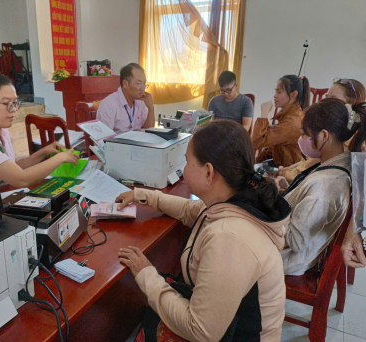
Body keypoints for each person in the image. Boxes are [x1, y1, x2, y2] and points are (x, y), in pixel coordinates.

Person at [116, 120, 291, 341]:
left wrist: (146, 274)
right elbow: (191, 210)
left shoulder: (229, 239)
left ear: (209, 172)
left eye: (187, 162)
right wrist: (144, 195)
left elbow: (200, 331)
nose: (183, 169)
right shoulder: (236, 199)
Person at [280, 98, 366, 275]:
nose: (302, 139)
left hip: (285, 258)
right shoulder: (336, 165)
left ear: (324, 136)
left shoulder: (324, 187)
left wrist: (267, 210)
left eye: (306, 134)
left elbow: (295, 241)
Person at [0, 72, 79, 188]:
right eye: (6, 103)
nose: (13, 110)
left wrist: (43, 152)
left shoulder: (1, 130)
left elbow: (13, 169)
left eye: (15, 103)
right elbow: (21, 179)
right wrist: (60, 158)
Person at [280, 78, 366, 183]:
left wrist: (283, 174)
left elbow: (306, 168)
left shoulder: (338, 139)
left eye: (333, 99)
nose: (325, 102)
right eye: (326, 97)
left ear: (350, 105)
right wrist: (289, 169)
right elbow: (306, 163)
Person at [252, 75, 310, 167]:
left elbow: (256, 143)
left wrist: (263, 115)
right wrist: (258, 161)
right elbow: (273, 146)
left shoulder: (292, 122)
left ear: (294, 94)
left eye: (279, 92)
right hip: (278, 163)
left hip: (287, 169)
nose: (275, 96)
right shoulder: (288, 114)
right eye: (276, 91)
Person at [96, 63, 155, 134]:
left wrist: (151, 108)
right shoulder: (108, 104)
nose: (143, 88)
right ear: (125, 84)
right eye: (139, 84)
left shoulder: (141, 101)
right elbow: (103, 138)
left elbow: (149, 132)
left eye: (144, 84)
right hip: (116, 144)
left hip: (138, 144)